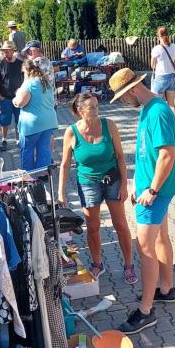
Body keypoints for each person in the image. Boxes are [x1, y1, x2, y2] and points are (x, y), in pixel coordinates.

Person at [109, 67, 175, 335]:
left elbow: (167, 155)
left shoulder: (158, 111)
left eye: (121, 97)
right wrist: (136, 183)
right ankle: (166, 288)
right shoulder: (148, 108)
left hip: (155, 192)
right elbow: (147, 154)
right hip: (149, 187)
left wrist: (151, 190)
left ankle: (145, 310)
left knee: (145, 247)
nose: (122, 102)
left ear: (132, 89)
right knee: (160, 236)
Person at [58, 91, 137, 285]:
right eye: (91, 107)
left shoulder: (109, 125)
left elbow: (120, 156)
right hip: (87, 183)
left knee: (120, 225)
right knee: (93, 227)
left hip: (112, 180)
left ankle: (128, 265)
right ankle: (97, 263)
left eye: (96, 106)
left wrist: (125, 185)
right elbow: (65, 164)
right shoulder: (71, 132)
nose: (96, 110)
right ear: (80, 111)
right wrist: (61, 192)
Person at [13, 57, 58, 171]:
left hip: (32, 124)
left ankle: (29, 176)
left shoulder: (29, 84)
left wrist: (15, 99)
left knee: (27, 150)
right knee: (44, 149)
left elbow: (20, 102)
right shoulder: (46, 82)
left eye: (24, 72)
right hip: (48, 122)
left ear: (28, 71)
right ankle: (42, 175)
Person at [0, 40, 24, 151]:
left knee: (19, 120)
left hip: (18, 98)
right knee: (4, 120)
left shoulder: (20, 64)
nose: (6, 53)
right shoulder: (0, 64)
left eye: (8, 51)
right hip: (5, 98)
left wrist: (24, 95)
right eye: (4, 51)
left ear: (13, 51)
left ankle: (18, 140)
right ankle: (4, 139)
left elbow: (26, 80)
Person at [150, 26, 175, 120]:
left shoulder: (156, 49)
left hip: (161, 78)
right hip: (172, 77)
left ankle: (159, 125)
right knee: (172, 105)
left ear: (158, 36)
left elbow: (153, 65)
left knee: (156, 103)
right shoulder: (174, 46)